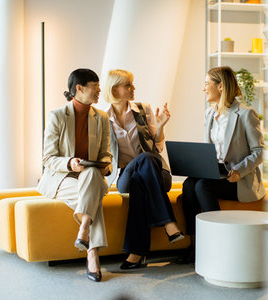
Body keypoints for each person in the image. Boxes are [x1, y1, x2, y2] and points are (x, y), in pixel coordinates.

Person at [178, 66, 266, 264]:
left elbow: (260, 151)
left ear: (220, 86)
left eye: (207, 83)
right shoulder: (209, 114)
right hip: (216, 172)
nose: (204, 88)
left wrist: (239, 171)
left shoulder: (245, 114)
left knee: (202, 186)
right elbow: (210, 151)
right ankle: (196, 246)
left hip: (238, 177)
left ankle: (218, 243)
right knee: (189, 184)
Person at [103, 69, 184, 270]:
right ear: (114, 89)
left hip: (157, 174)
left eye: (132, 84)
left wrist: (162, 125)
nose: (133, 88)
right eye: (128, 85)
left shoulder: (143, 109)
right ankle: (168, 224)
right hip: (124, 176)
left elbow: (157, 148)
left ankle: (137, 253)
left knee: (145, 167)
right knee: (141, 167)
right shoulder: (103, 119)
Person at [37, 68, 112, 282]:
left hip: (92, 177)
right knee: (92, 200)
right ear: (79, 88)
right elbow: (48, 159)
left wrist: (105, 165)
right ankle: (92, 254)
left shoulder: (102, 117)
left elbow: (106, 153)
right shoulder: (57, 116)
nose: (99, 91)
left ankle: (84, 230)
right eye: (95, 87)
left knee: (91, 174)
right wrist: (70, 163)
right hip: (62, 179)